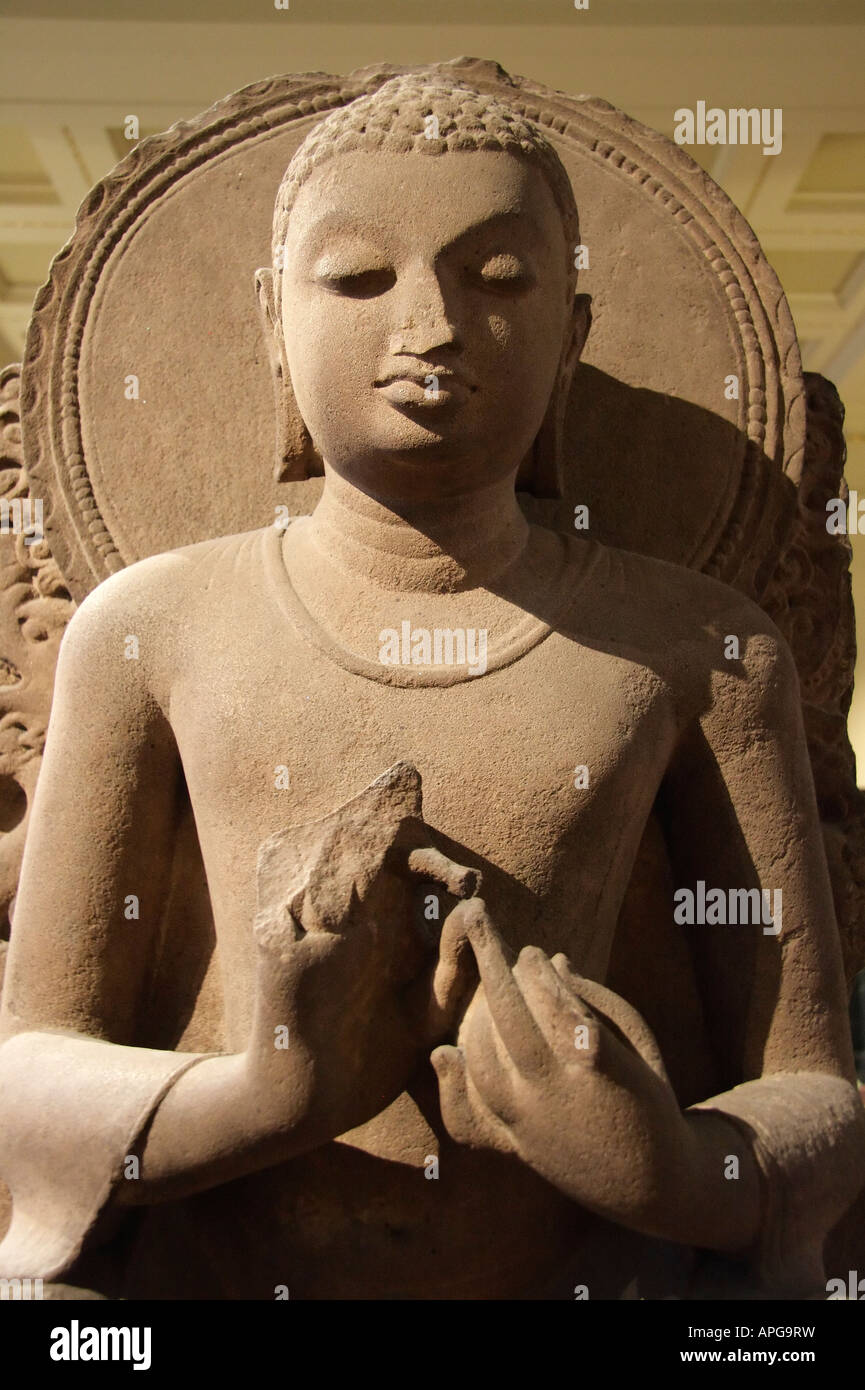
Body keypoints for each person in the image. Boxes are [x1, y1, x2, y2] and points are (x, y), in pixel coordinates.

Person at [0, 74, 862, 1301]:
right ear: (269, 320)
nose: (433, 324)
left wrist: (662, 1165)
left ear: (572, 332)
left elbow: (813, 1090)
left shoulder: (701, 649)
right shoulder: (149, 630)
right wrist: (269, 1090)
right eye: (357, 279)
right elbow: (28, 1070)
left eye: (499, 280)